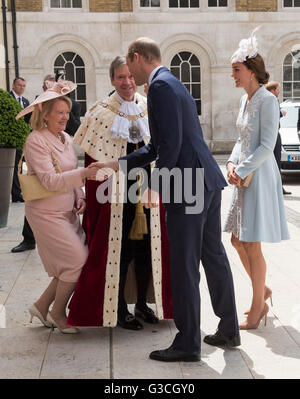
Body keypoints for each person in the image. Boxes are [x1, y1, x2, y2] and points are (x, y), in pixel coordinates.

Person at [91, 38, 240, 362]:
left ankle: (188, 343)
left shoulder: (158, 87)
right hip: (206, 180)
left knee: (185, 266)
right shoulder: (172, 82)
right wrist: (116, 164)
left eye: (129, 67)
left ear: (136, 57)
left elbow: (168, 148)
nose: (128, 75)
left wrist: (155, 187)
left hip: (187, 186)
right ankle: (229, 328)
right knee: (213, 256)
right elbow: (159, 147)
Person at [67, 56, 172, 330]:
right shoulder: (100, 113)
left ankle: (141, 304)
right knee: (121, 248)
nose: (127, 82)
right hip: (115, 195)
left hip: (147, 191)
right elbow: (94, 165)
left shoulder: (149, 107)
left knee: (147, 248)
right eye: (121, 77)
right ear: (112, 80)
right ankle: (119, 307)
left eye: (130, 77)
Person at [15, 79, 99, 333]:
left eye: (67, 112)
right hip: (45, 214)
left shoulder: (65, 137)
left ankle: (41, 307)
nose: (65, 117)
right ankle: (57, 313)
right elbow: (50, 180)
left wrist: (80, 194)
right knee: (77, 261)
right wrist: (85, 174)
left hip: (66, 212)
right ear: (45, 115)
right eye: (59, 113)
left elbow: (70, 171)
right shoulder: (36, 141)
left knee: (68, 265)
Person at [224, 33, 290, 330]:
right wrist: (230, 162)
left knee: (251, 243)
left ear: (251, 70)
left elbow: (265, 145)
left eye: (236, 69)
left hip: (260, 176)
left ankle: (256, 306)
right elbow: (242, 139)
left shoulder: (267, 100)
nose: (233, 75)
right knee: (237, 240)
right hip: (243, 176)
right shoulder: (244, 99)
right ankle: (261, 292)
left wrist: (243, 168)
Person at [10, 77, 36, 253]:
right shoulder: (37, 138)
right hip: (19, 143)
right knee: (33, 201)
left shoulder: (64, 138)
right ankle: (29, 239)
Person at [265, 81, 291, 195]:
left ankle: (277, 187)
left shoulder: (270, 99)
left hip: (273, 133)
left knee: (274, 161)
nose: (279, 91)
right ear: (272, 90)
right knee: (276, 161)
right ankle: (278, 188)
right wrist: (281, 113)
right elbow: (272, 115)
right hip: (273, 134)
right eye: (277, 89)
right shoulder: (271, 99)